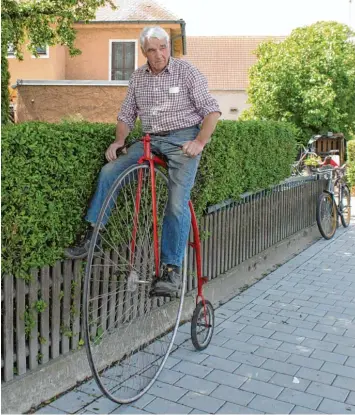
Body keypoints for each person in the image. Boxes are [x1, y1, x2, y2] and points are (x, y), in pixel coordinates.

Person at [65, 26, 221, 296]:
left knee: (176, 203)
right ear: (144, 52)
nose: (159, 54)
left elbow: (212, 110)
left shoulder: (187, 72)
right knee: (109, 170)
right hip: (150, 140)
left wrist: (200, 142)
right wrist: (118, 141)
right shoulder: (138, 77)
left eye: (163, 47)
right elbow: (126, 115)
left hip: (182, 141)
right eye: (152, 49)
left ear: (168, 48)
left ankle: (171, 271)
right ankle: (94, 235)